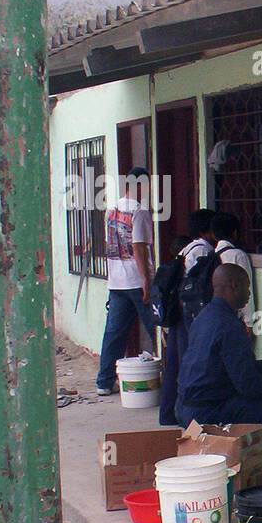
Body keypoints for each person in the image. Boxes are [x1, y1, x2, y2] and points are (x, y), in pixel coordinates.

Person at [175, 264, 262, 456]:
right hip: (209, 412)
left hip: (184, 409)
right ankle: (248, 458)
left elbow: (228, 367)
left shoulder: (205, 316)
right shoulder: (229, 326)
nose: (249, 294)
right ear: (234, 286)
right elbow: (248, 385)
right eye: (247, 287)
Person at [96, 168, 154, 396]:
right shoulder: (139, 212)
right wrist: (146, 281)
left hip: (116, 281)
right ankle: (171, 377)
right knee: (157, 328)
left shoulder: (111, 210)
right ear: (138, 185)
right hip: (135, 281)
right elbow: (139, 248)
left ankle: (104, 381)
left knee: (114, 333)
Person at [159, 210, 219, 425]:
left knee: (174, 363)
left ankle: (167, 413)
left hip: (177, 311)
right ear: (206, 230)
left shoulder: (186, 248)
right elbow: (200, 286)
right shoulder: (203, 250)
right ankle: (185, 414)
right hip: (189, 313)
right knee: (189, 364)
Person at [212, 211, 255, 330]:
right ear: (235, 233)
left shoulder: (209, 256)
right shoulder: (237, 255)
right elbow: (246, 288)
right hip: (232, 317)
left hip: (213, 315)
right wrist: (249, 322)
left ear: (213, 235)